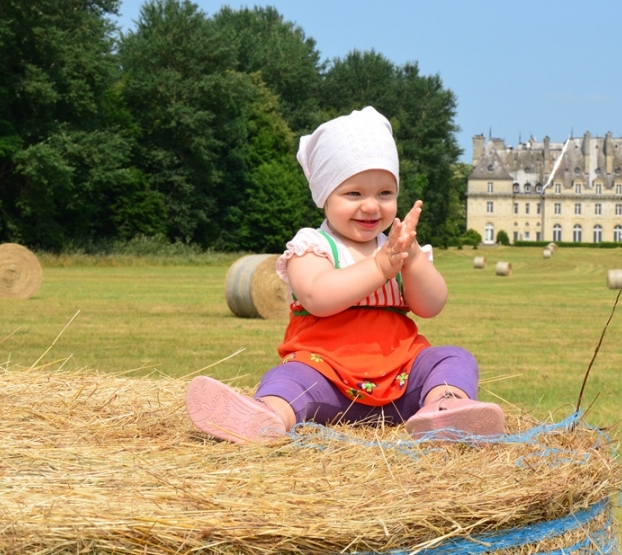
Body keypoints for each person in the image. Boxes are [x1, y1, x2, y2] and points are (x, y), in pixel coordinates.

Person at [186, 106, 504, 443]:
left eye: (385, 193)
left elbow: (432, 305)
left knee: (454, 358)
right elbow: (318, 297)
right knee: (290, 380)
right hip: (326, 376)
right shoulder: (313, 245)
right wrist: (380, 267)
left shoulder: (399, 248)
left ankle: (443, 409)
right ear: (325, 197)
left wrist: (411, 259)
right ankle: (266, 416)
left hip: (401, 379)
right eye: (354, 193)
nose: (371, 205)